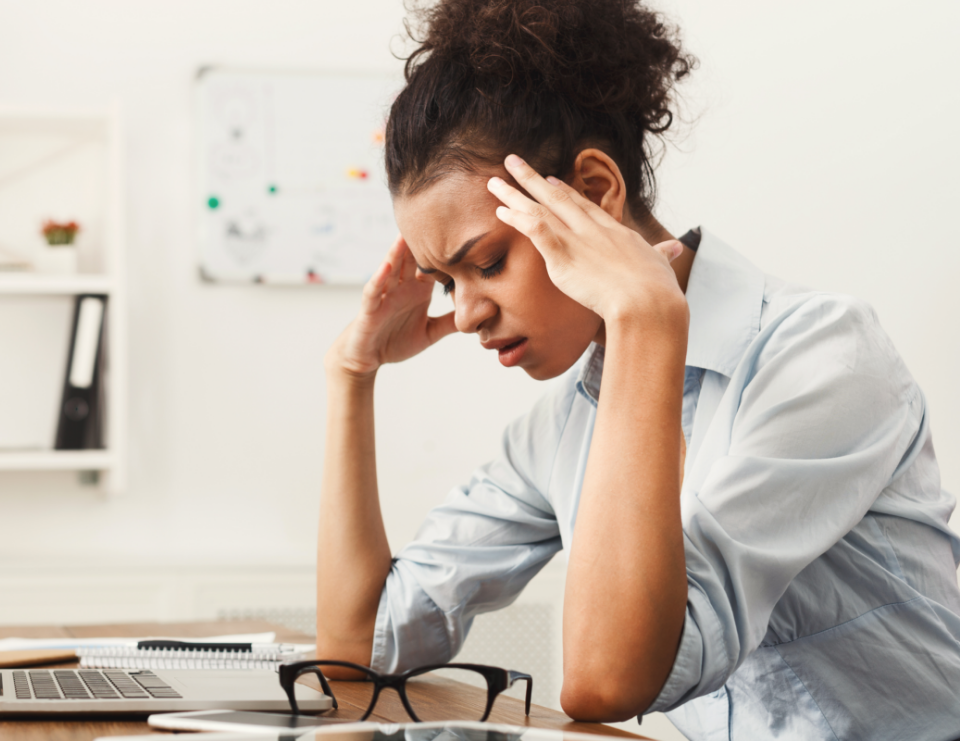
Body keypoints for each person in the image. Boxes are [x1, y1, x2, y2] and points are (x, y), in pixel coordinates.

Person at [315, 0, 960, 738]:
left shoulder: (824, 356)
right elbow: (354, 650)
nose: (464, 315)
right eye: (444, 282)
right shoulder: (560, 427)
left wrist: (644, 318)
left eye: (486, 263)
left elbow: (608, 681)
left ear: (593, 192)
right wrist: (351, 372)